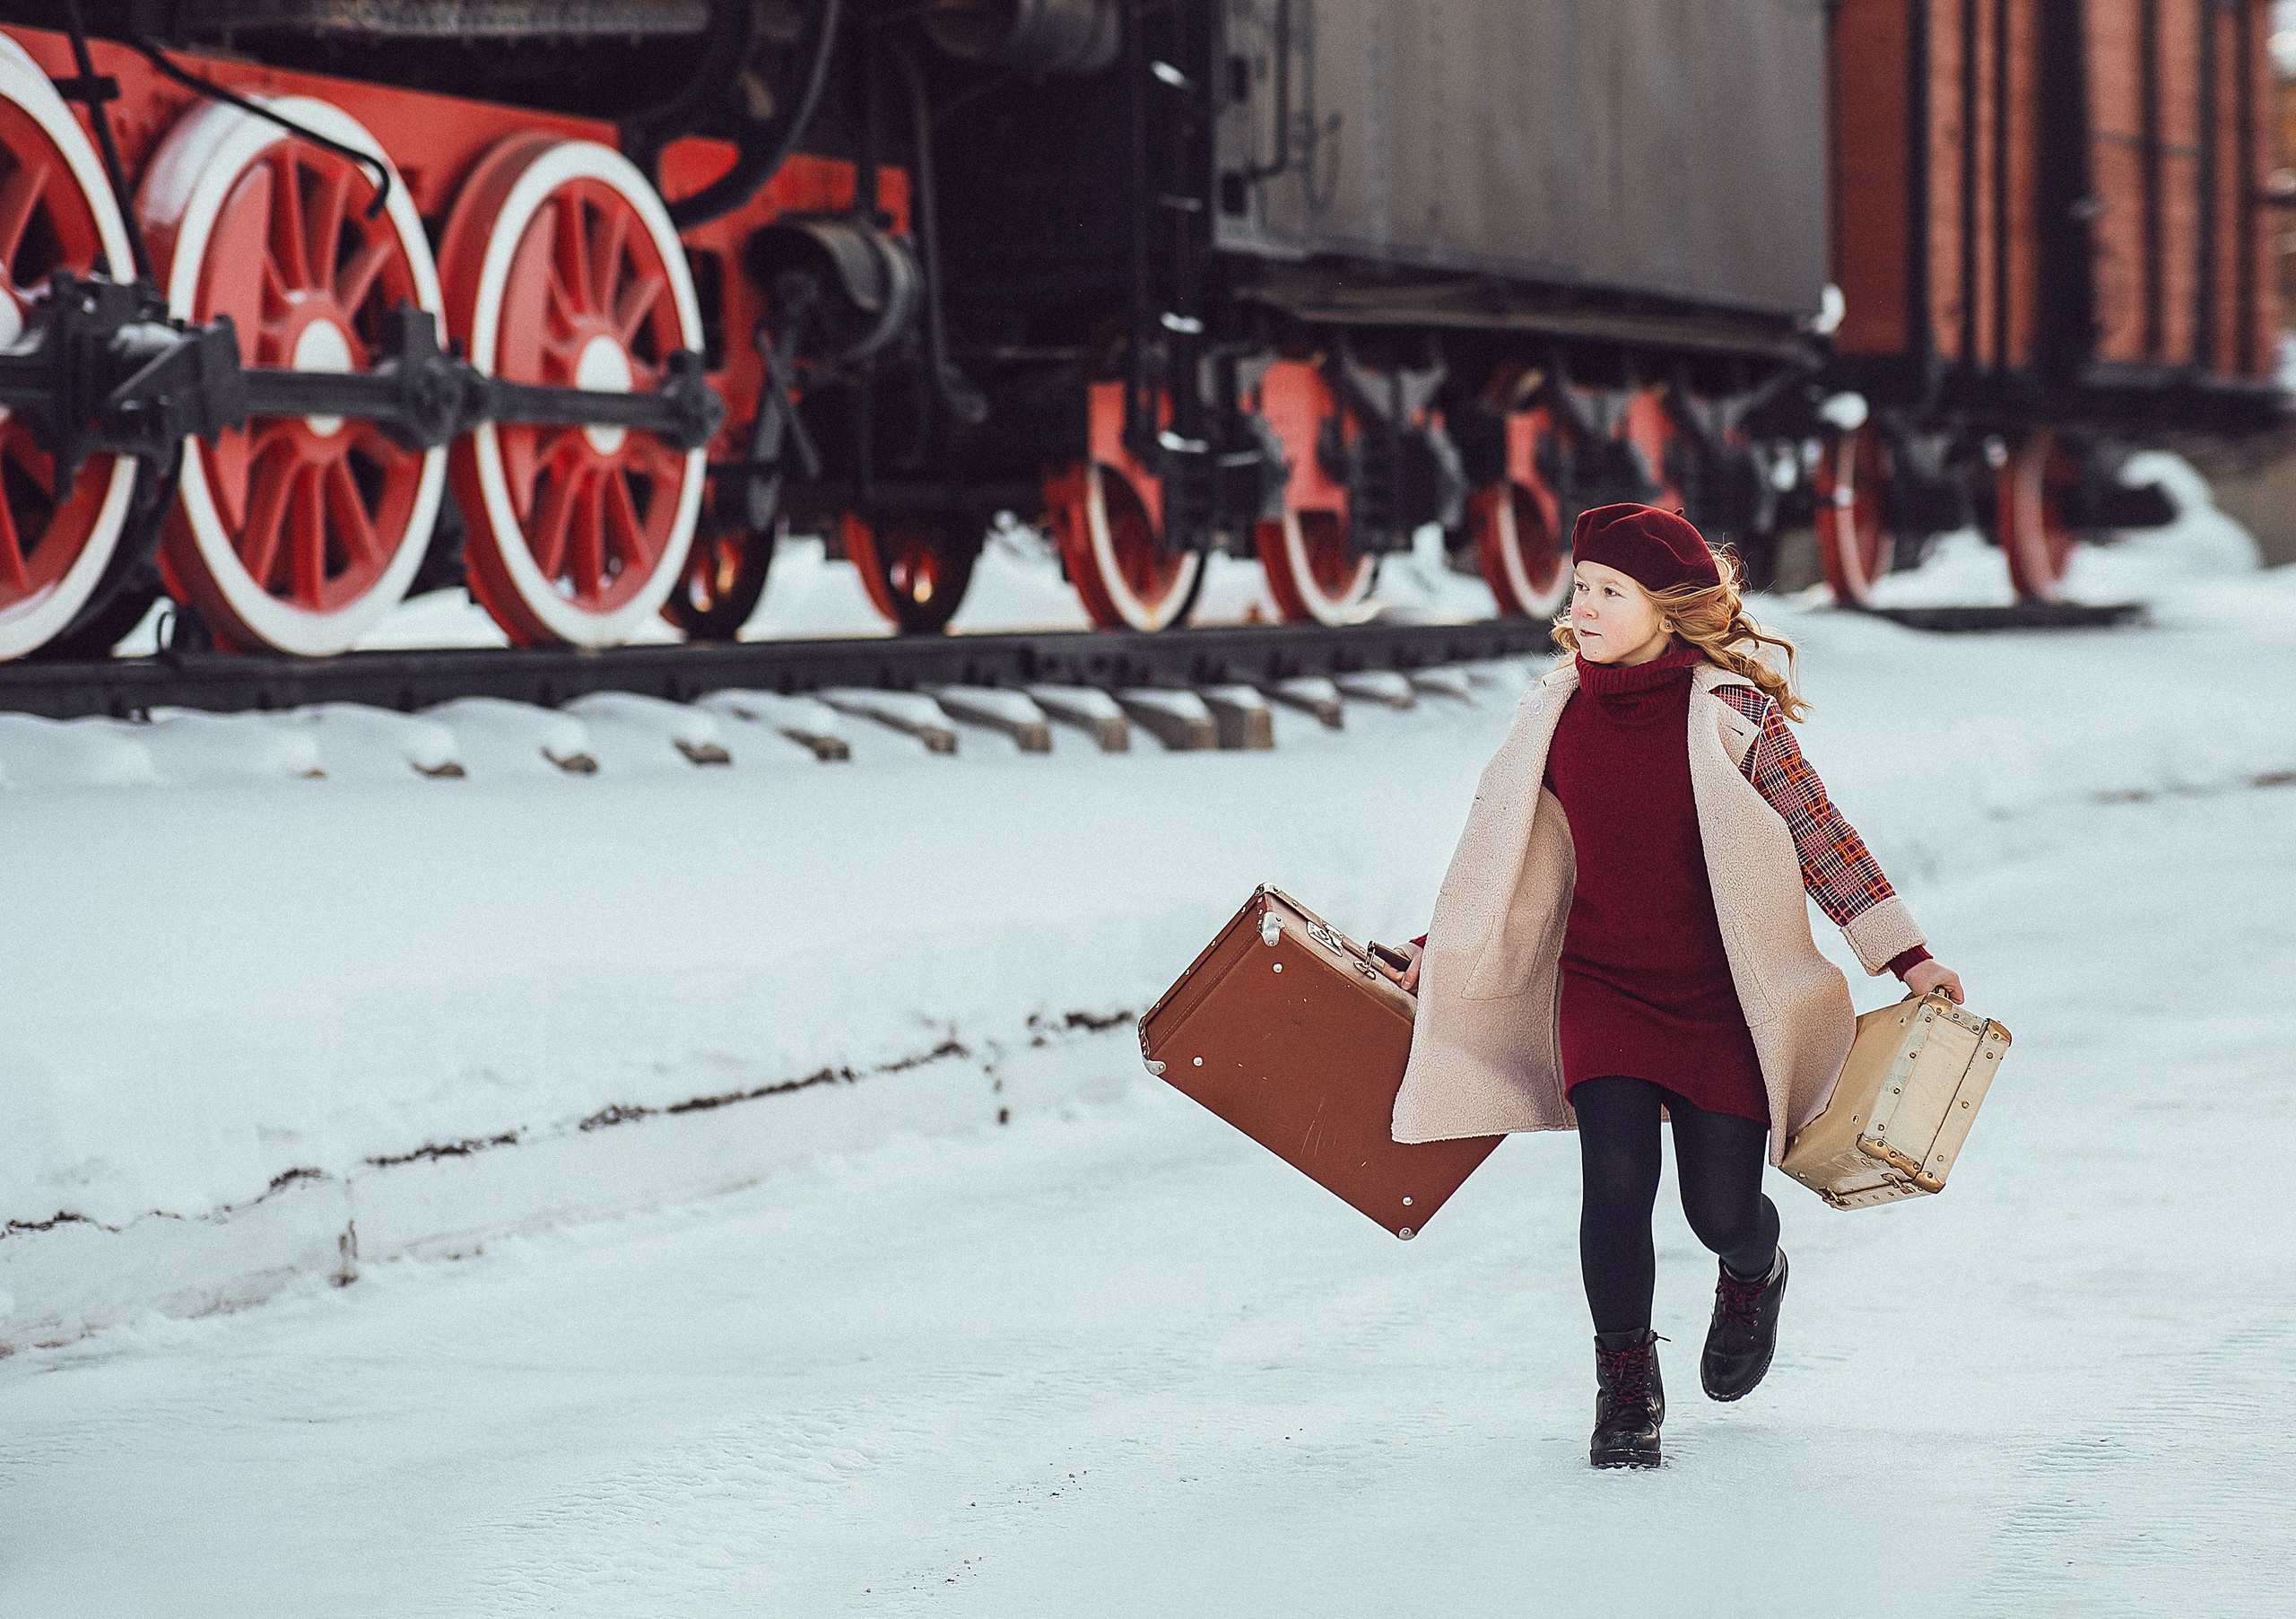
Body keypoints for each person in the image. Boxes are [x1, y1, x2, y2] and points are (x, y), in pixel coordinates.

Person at [1374, 502, 1962, 1469]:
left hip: (1721, 999)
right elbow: (1511, 858)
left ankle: (1752, 1267)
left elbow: (1823, 837)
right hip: (1602, 985)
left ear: (1669, 608)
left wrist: (1905, 955)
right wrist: (1441, 944)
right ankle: (1624, 1386)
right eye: (1580, 589)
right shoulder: (1553, 711)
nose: (1587, 607)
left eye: (1612, 591)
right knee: (1612, 1185)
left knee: (1716, 1207)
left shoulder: (1732, 714)